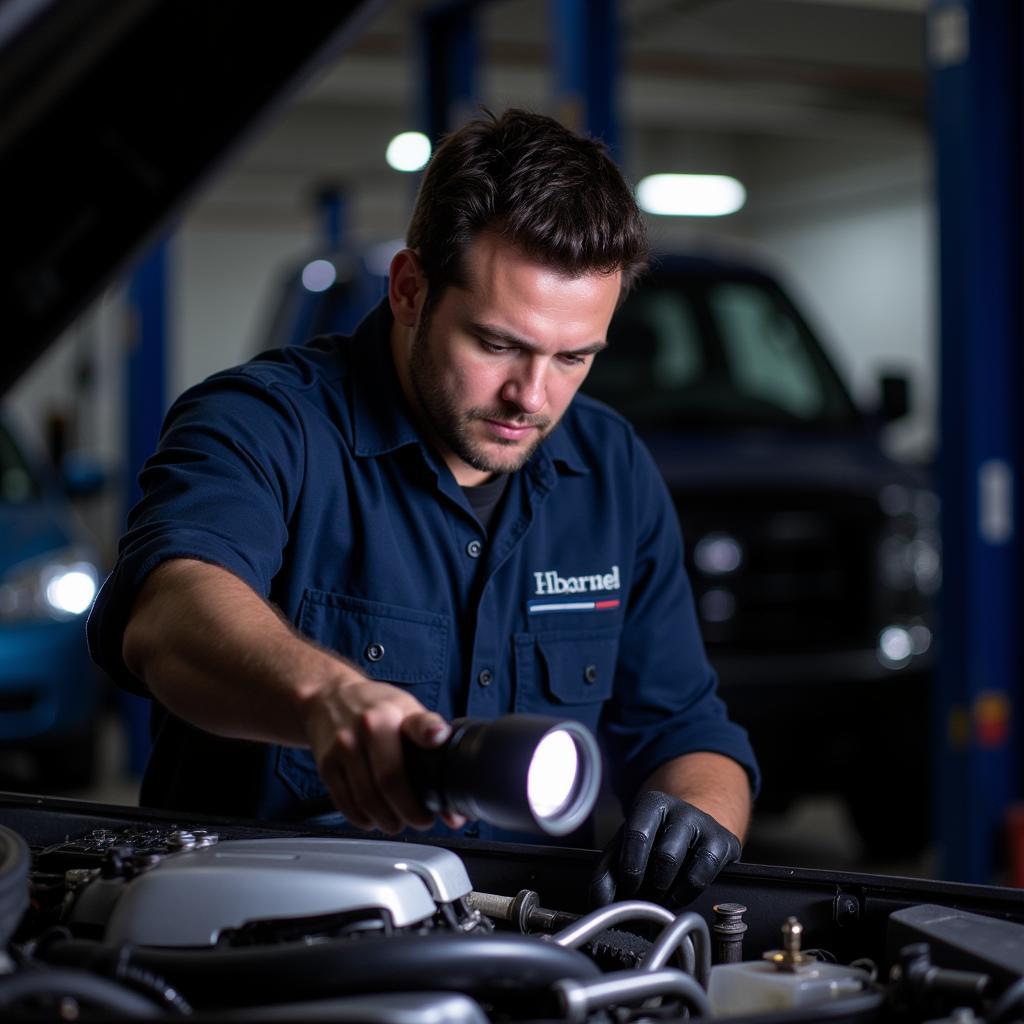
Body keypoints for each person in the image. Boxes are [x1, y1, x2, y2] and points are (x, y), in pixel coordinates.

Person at [88, 108, 759, 907]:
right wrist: (327, 698)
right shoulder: (262, 423)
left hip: (523, 952)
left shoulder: (611, 469)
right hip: (258, 939)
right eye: (498, 344)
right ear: (410, 290)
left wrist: (699, 814)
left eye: (574, 357)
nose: (532, 397)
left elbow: (688, 732)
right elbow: (171, 611)